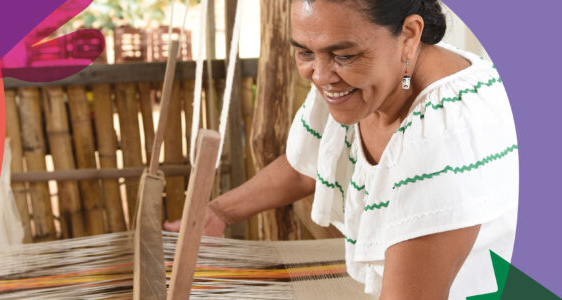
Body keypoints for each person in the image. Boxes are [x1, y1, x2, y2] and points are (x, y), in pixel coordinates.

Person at [166, 0, 518, 299]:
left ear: (409, 36)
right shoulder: (360, 81)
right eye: (305, 52)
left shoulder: (442, 136)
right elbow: (304, 166)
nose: (319, 75)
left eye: (344, 55)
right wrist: (217, 213)